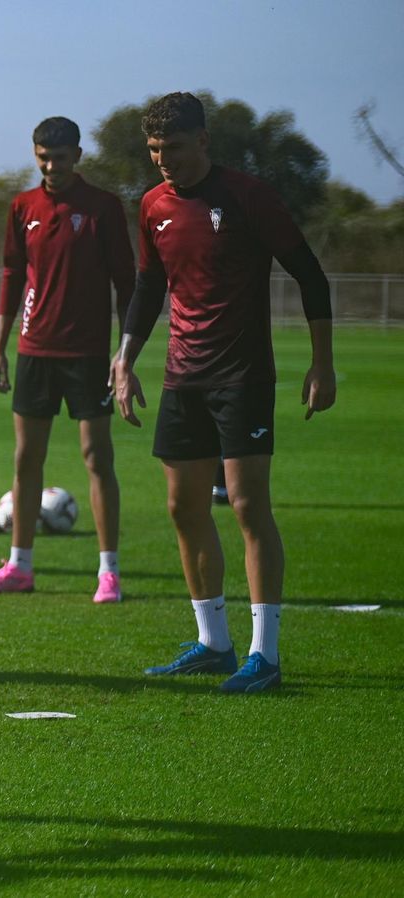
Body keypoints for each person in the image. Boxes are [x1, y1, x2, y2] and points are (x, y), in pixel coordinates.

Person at [111, 92, 336, 693]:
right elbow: (147, 288)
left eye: (175, 148)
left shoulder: (249, 197)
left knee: (245, 505)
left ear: (204, 141)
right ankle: (213, 641)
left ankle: (265, 654)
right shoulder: (152, 206)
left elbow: (310, 275)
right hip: (182, 377)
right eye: (155, 150)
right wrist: (125, 358)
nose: (164, 161)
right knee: (183, 508)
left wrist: (323, 365)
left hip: (243, 376)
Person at [0, 116, 134, 603]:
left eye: (60, 158)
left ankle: (109, 572)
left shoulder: (103, 207)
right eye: (42, 156)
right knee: (26, 459)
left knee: (96, 458)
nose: (50, 165)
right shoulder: (23, 206)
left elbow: (128, 285)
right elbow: (10, 276)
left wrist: (125, 352)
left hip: (87, 354)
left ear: (77, 156)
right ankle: (19, 565)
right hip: (34, 350)